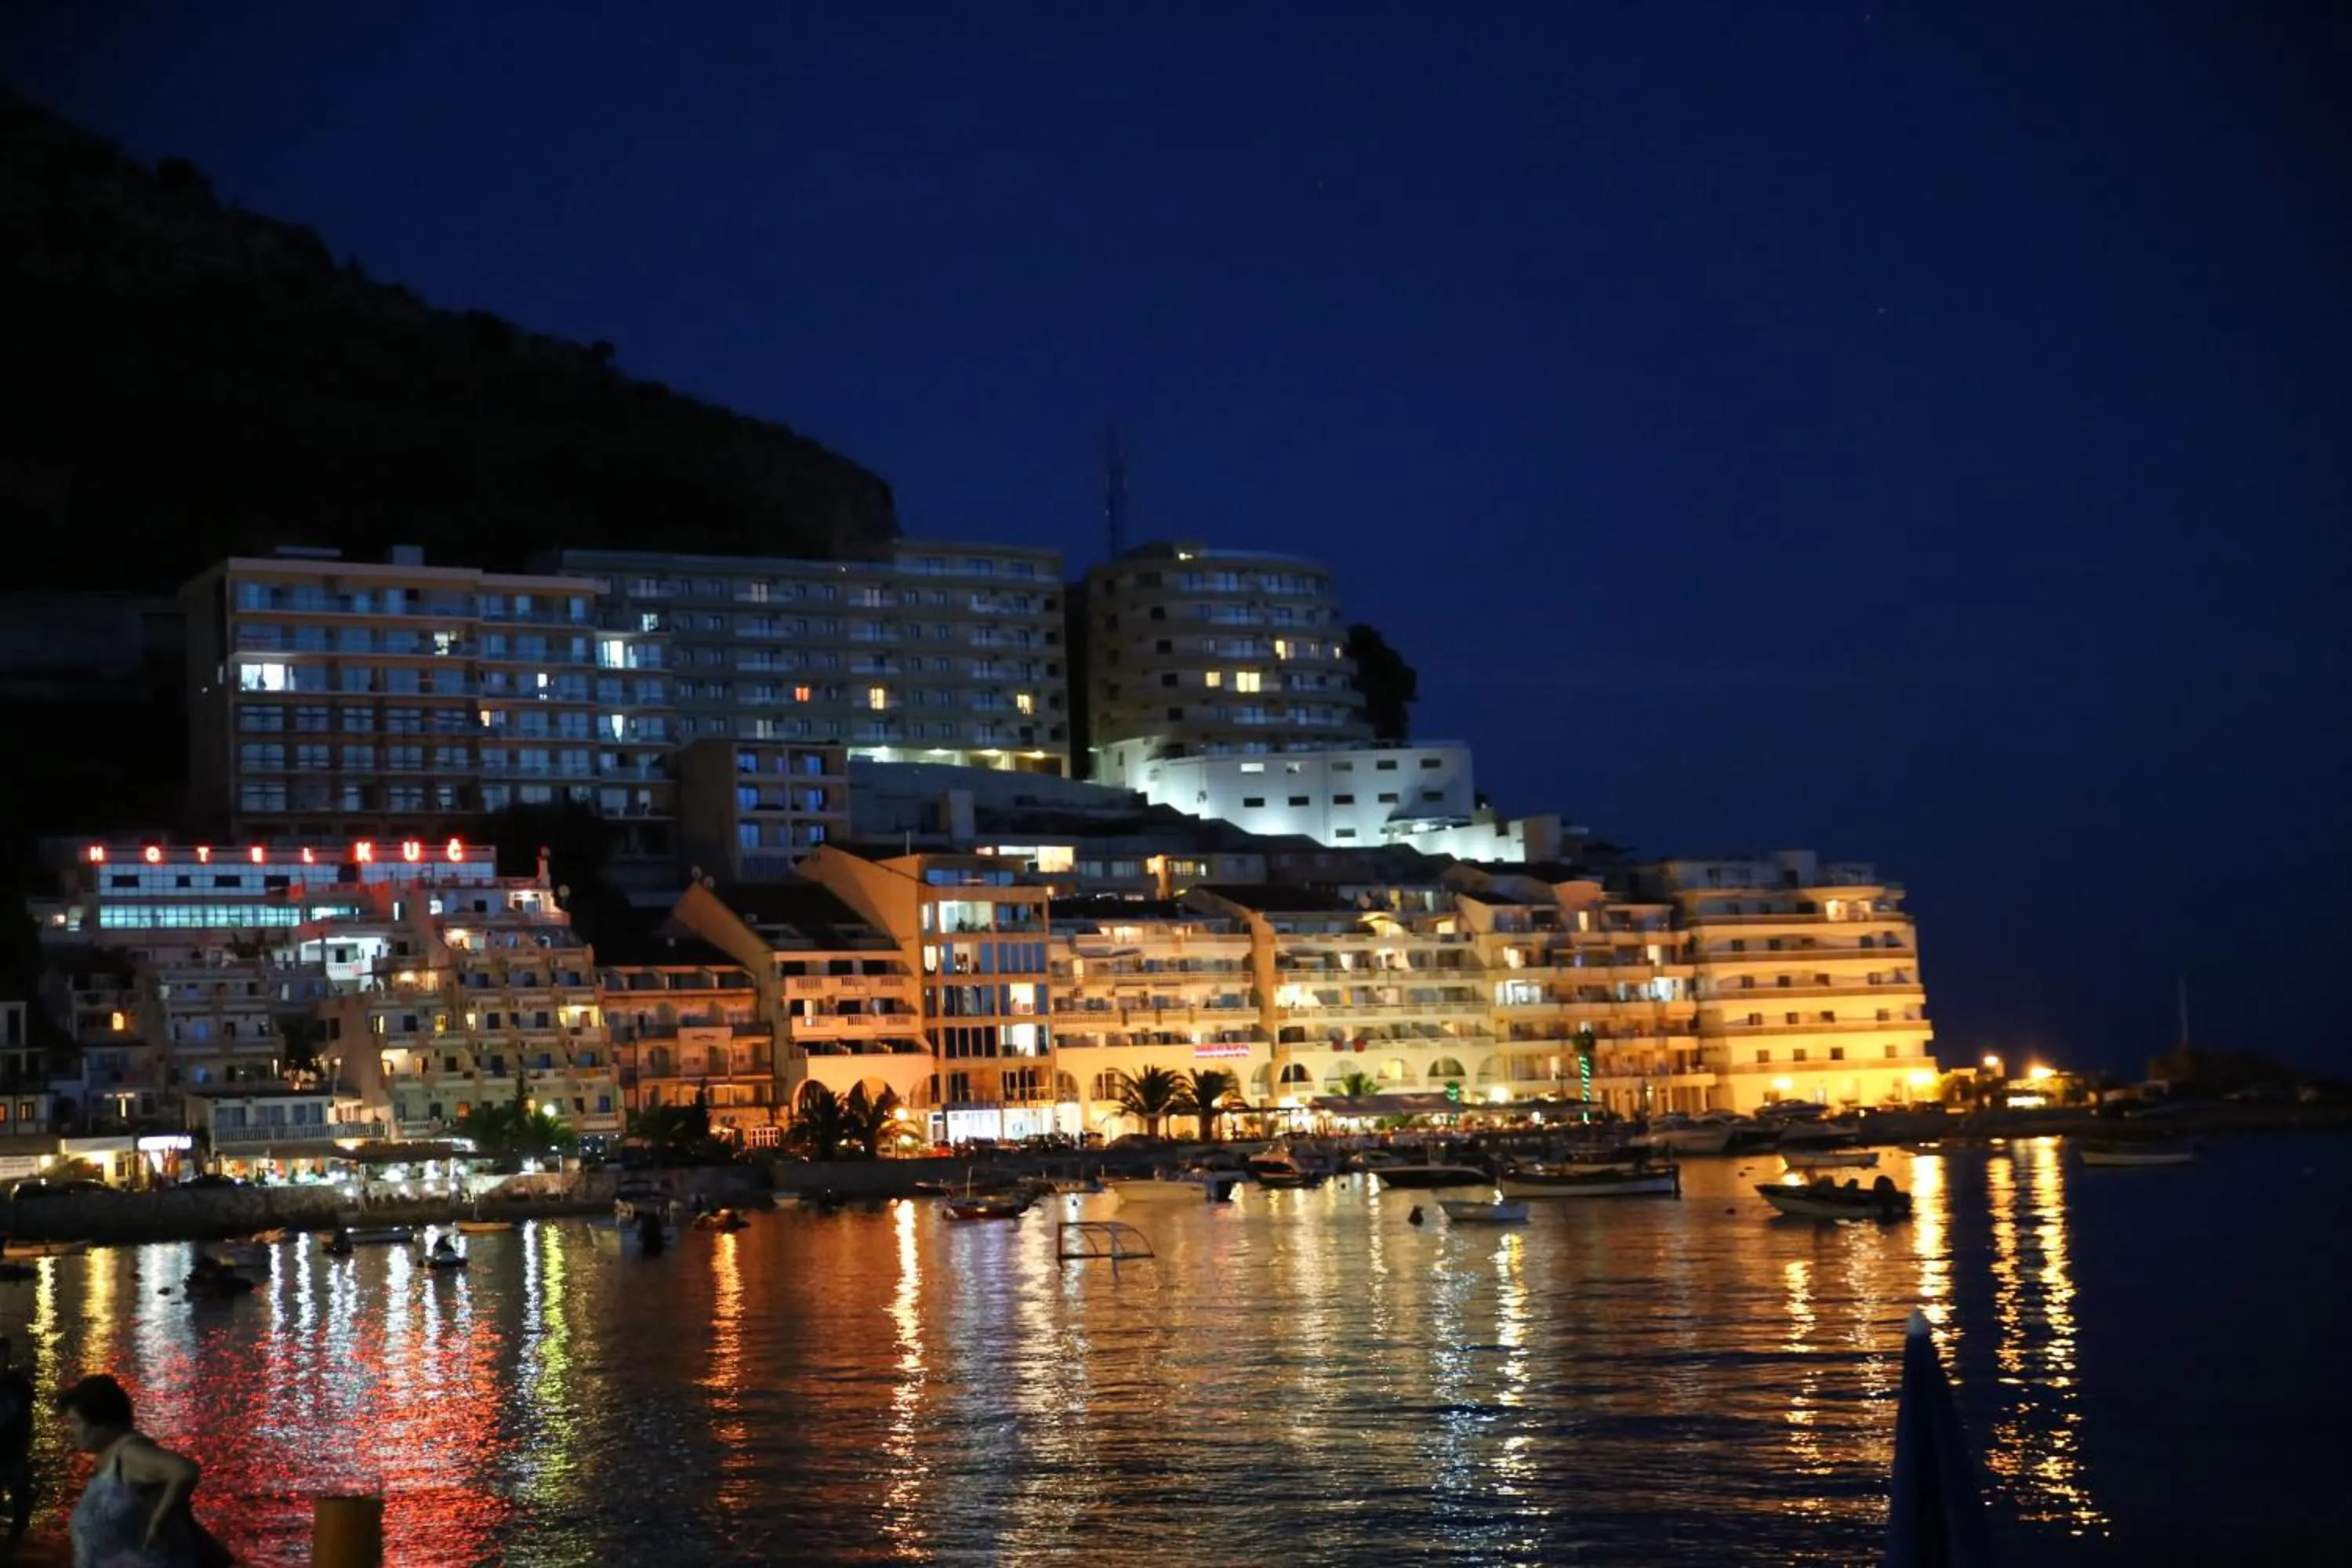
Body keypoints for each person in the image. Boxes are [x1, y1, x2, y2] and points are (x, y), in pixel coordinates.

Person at [53, 1374, 204, 1567]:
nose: (71, 1431)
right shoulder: (110, 1456)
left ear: (100, 1421)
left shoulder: (129, 1452)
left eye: (75, 1422)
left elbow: (184, 1470)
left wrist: (158, 1523)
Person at [0, 1338, 34, 1559]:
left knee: (22, 1501)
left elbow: (27, 1418)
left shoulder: (19, 1384)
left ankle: (13, 1543)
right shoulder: (19, 1385)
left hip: (14, 1453)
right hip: (12, 1454)